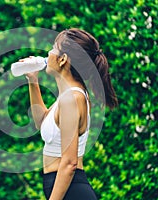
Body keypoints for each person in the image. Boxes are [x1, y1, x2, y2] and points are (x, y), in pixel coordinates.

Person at [23, 28, 118, 200]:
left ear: (62, 59)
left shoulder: (71, 99)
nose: (48, 53)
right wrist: (33, 80)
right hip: (65, 188)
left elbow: (69, 163)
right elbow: (41, 122)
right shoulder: (67, 96)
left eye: (53, 48)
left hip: (72, 191)